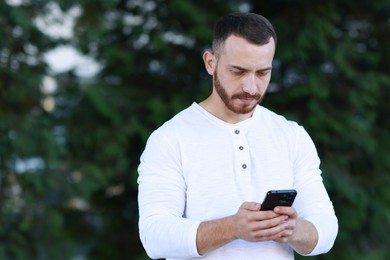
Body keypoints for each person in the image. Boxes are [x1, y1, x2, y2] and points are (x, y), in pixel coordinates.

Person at [137, 12, 338, 260]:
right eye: (238, 71)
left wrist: (292, 229)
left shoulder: (291, 135)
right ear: (210, 63)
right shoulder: (170, 138)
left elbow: (327, 229)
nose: (251, 88)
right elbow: (154, 236)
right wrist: (234, 227)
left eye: (262, 73)